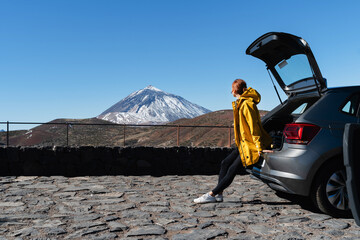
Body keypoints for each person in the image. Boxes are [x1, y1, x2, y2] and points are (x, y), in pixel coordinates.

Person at [194, 79, 273, 204]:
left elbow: (254, 127)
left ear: (235, 89)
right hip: (243, 143)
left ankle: (211, 194)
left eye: (231, 88)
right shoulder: (241, 103)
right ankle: (219, 194)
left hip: (249, 144)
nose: (230, 91)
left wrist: (258, 147)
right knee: (225, 163)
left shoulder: (247, 104)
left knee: (232, 169)